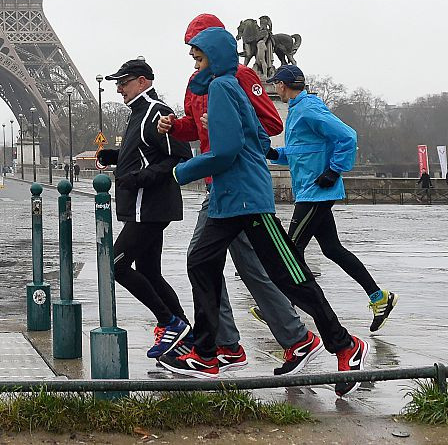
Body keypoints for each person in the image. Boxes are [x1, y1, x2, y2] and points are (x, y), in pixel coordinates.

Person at [160, 26, 368, 399]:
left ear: (214, 55)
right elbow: (255, 135)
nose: (193, 59)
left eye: (198, 54)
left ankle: (343, 344)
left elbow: (226, 152)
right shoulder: (218, 88)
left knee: (290, 277)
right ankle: (209, 352)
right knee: (200, 263)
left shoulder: (223, 87)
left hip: (247, 199)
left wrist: (179, 172)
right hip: (229, 199)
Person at [267, 64, 398, 332]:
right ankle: (378, 297)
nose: (275, 88)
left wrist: (334, 170)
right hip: (310, 189)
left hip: (316, 191)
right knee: (331, 249)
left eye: (276, 84)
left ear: (283, 85)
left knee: (289, 250)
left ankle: (283, 305)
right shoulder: (297, 110)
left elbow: (348, 136)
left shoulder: (307, 109)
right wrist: (272, 154)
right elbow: (301, 152)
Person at [98, 58, 193, 359]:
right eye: (117, 84)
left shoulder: (156, 111)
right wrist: (116, 156)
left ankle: (170, 323)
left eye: (123, 83)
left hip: (148, 206)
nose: (118, 89)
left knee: (115, 266)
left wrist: (140, 178)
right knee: (150, 272)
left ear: (142, 82)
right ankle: (187, 334)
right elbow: (147, 151)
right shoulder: (139, 113)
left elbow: (180, 155)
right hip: (143, 205)